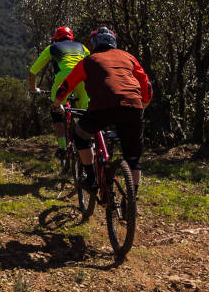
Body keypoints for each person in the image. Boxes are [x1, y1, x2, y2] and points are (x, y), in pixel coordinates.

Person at [54, 27, 151, 189]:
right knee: (134, 159)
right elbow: (146, 85)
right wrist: (143, 106)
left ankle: (91, 177)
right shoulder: (129, 57)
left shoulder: (89, 61)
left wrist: (57, 103)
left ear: (93, 44)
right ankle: (132, 199)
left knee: (79, 135)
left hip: (102, 108)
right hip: (133, 107)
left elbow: (66, 86)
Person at [28, 26, 90, 158]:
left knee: (56, 111)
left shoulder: (52, 48)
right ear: (71, 37)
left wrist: (33, 89)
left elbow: (32, 72)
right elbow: (93, 61)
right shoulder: (82, 47)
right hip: (83, 77)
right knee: (84, 112)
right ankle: (87, 142)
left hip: (64, 78)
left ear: (56, 38)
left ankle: (62, 148)